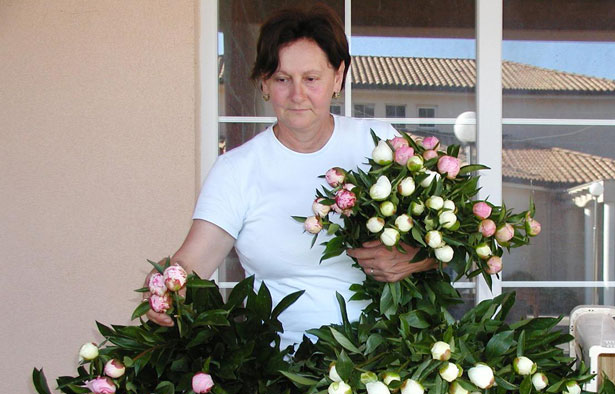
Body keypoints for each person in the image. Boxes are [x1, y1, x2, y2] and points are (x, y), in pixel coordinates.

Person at [144, 4, 434, 346]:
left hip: (383, 361)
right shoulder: (237, 170)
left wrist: (417, 259)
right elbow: (192, 262)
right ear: (265, 84)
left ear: (337, 77)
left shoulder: (381, 145)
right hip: (274, 371)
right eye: (282, 79)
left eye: (311, 79)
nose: (297, 95)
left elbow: (452, 244)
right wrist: (166, 282)